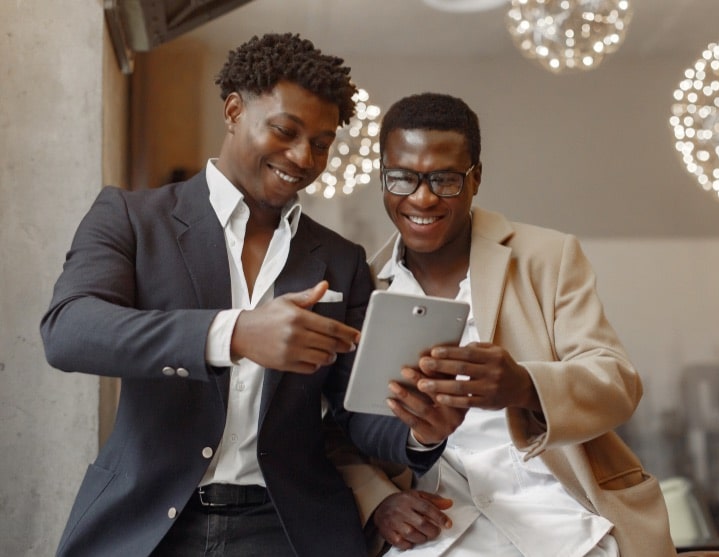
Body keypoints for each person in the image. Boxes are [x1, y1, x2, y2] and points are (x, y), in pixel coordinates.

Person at [40, 35, 461, 557]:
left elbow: (357, 412)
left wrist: (420, 431)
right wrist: (234, 334)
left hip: (288, 528)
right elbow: (69, 331)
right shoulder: (131, 218)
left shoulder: (341, 259)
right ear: (234, 110)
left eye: (323, 143)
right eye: (285, 131)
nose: (304, 157)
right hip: (146, 521)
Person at [329, 92, 677, 557]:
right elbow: (337, 425)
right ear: (383, 179)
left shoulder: (547, 257)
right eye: (402, 178)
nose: (423, 197)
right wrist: (380, 500)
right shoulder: (364, 287)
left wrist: (524, 385)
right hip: (439, 535)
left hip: (565, 525)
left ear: (476, 178)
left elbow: (616, 381)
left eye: (445, 179)